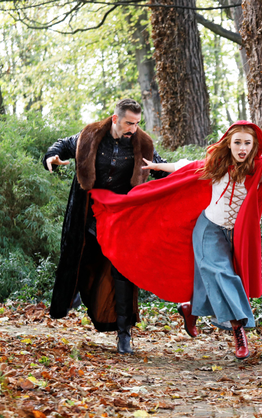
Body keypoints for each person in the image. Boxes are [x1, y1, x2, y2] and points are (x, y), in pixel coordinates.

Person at [89, 121, 262, 359]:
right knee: (222, 273)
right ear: (228, 144)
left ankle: (190, 309)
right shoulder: (216, 164)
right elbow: (184, 167)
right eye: (237, 142)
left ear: (254, 146)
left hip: (236, 235)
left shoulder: (256, 168)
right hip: (208, 229)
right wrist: (157, 165)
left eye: (247, 143)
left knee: (212, 275)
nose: (242, 148)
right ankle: (239, 332)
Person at [44, 98, 169, 354]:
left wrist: (184, 175)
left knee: (121, 272)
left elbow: (161, 169)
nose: (133, 128)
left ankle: (124, 334)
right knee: (83, 262)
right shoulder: (90, 135)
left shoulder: (143, 144)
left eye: (137, 123)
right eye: (128, 123)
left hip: (120, 220)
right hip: (87, 216)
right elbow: (63, 145)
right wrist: (51, 157)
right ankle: (75, 296)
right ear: (115, 119)